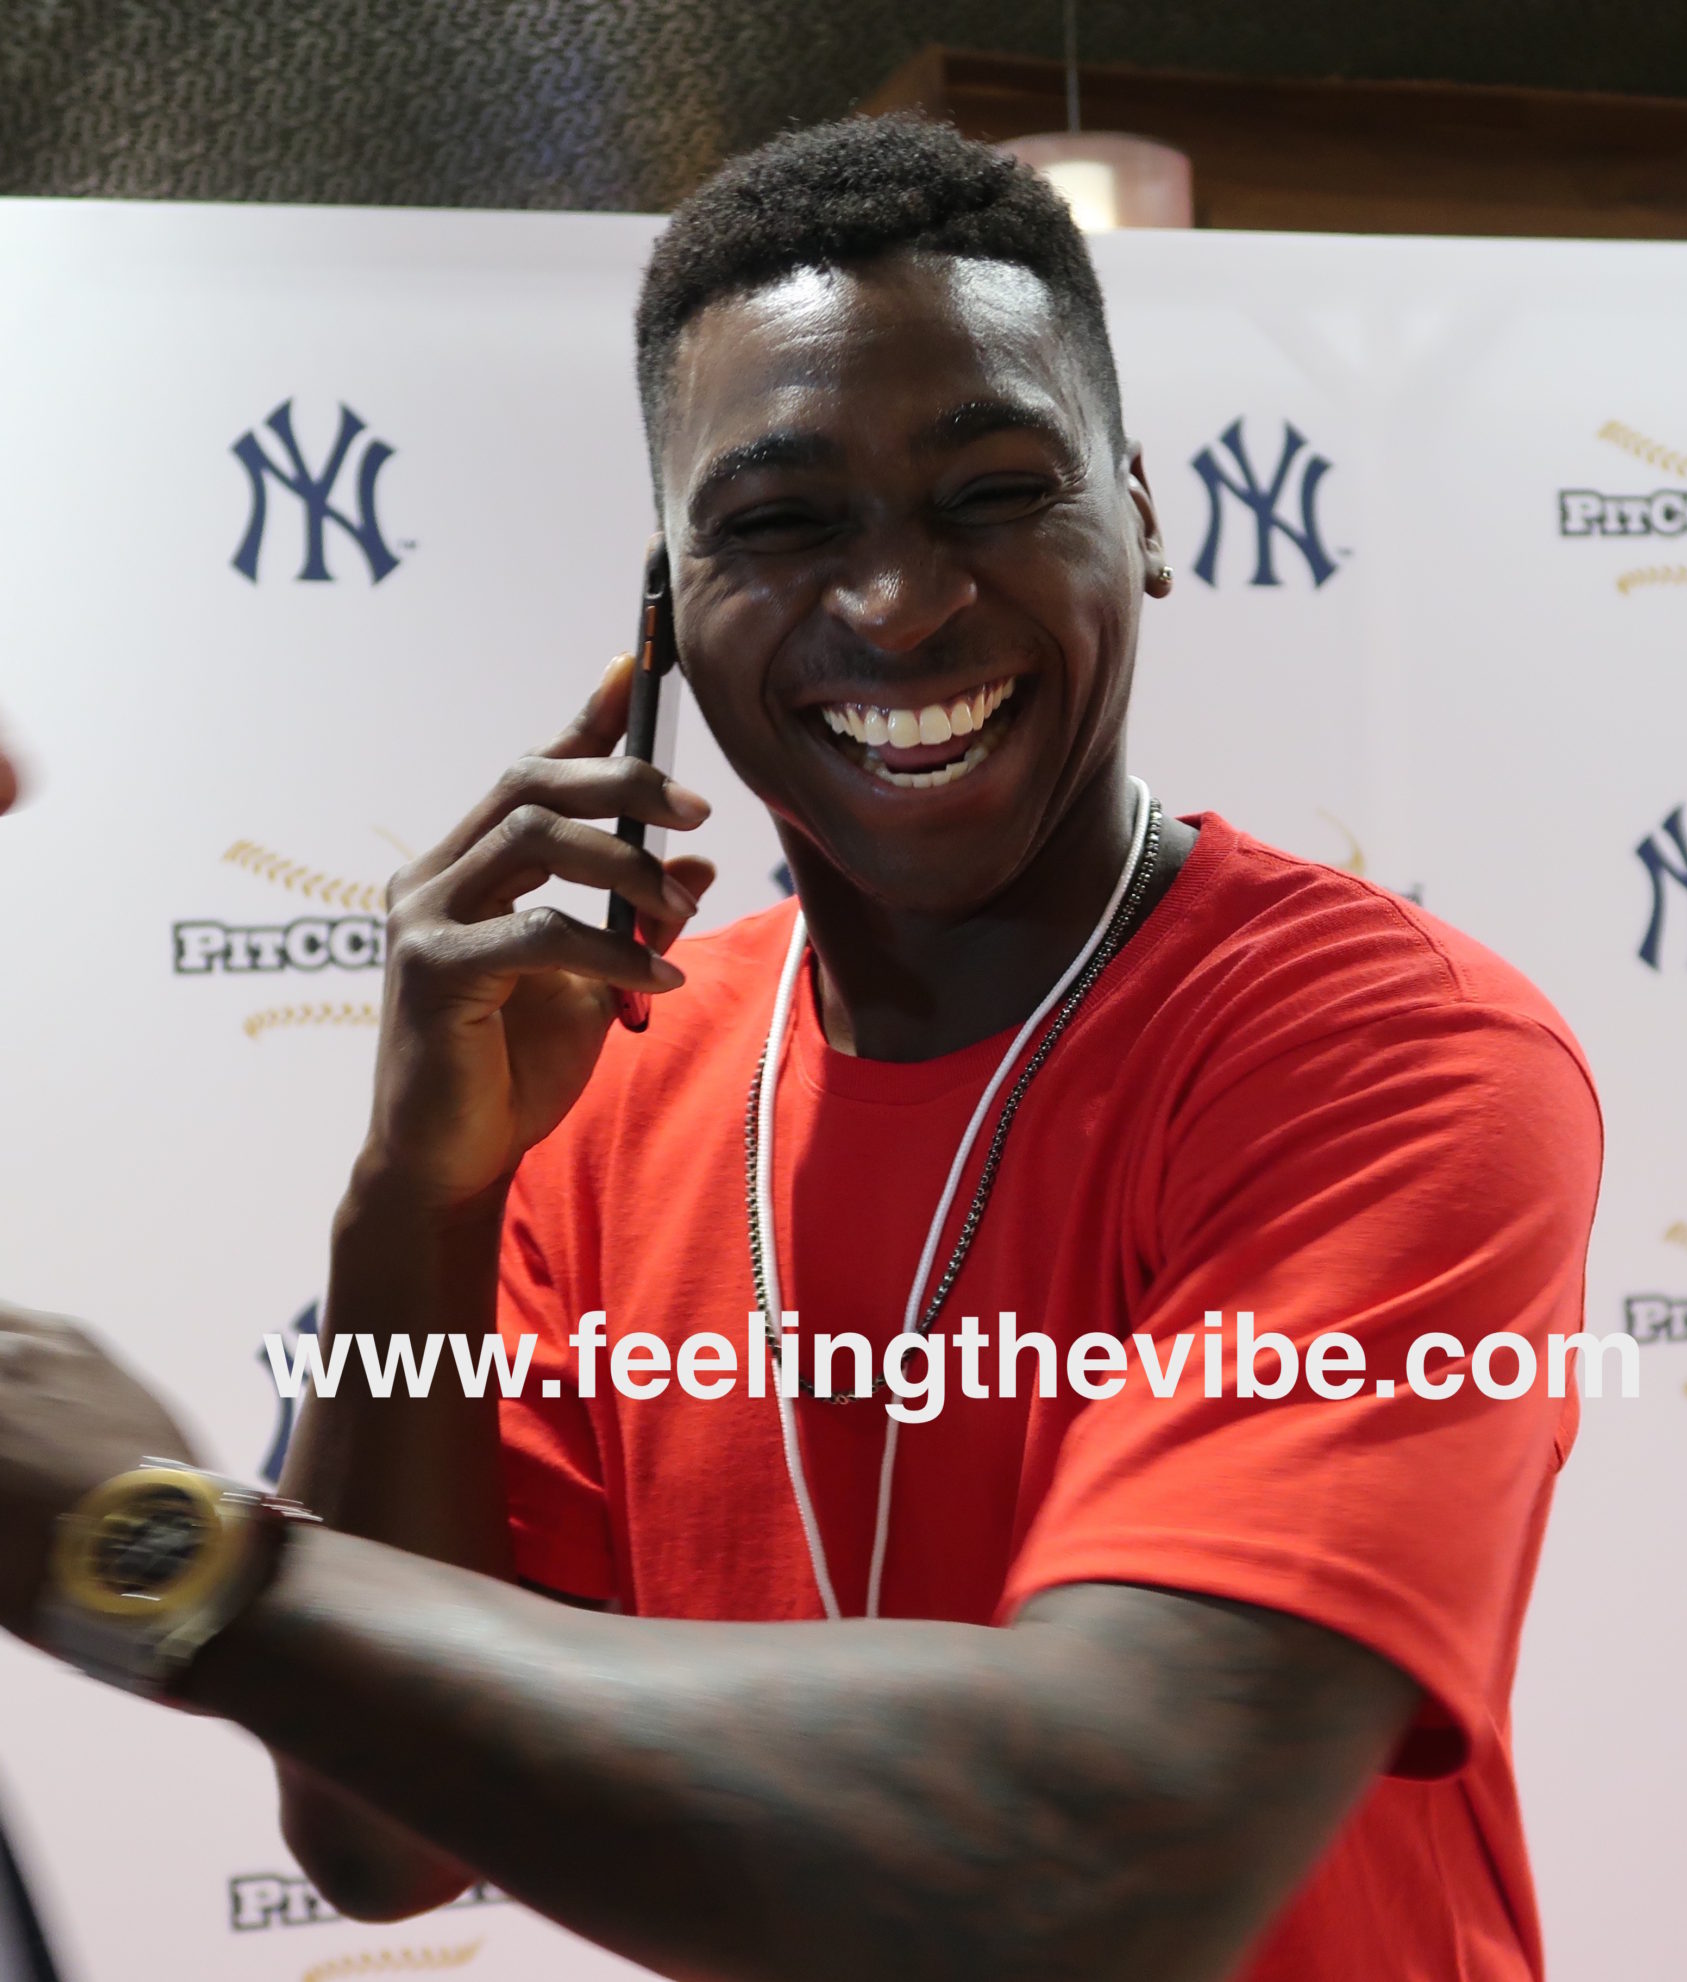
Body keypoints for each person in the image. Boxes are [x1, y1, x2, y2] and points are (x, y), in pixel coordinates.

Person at [0, 117, 1601, 1982]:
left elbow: (1116, 1856)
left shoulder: (1382, 1051)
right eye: (780, 522)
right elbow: (378, 1839)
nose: (901, 602)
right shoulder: (608, 1083)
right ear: (669, 607)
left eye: (995, 489)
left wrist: (168, 1554)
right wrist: (413, 1199)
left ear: (1145, 514)